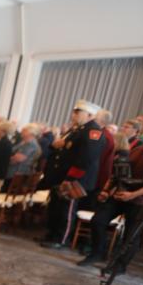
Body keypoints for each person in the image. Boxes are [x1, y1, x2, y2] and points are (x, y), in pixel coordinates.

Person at [77, 131, 143, 267]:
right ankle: (98, 253)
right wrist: (106, 190)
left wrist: (134, 194)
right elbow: (118, 173)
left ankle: (119, 266)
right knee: (98, 220)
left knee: (130, 236)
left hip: (141, 200)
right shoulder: (136, 149)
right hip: (120, 194)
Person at [39, 100, 106, 249]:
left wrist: (71, 178)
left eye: (78, 112)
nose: (73, 115)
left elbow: (85, 159)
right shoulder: (77, 130)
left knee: (66, 210)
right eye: (74, 112)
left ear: (89, 115)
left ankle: (61, 239)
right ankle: (52, 234)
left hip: (75, 179)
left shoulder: (93, 132)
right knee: (56, 207)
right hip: (63, 176)